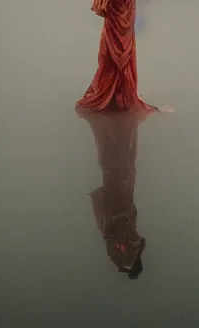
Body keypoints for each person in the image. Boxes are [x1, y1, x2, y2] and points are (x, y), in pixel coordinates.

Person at [76, 104, 152, 278]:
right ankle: (119, 123)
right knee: (118, 161)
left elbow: (124, 225)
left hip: (120, 197)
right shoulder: (121, 249)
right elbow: (124, 229)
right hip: (119, 197)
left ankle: (118, 123)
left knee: (119, 162)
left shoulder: (125, 250)